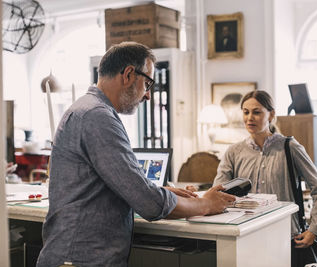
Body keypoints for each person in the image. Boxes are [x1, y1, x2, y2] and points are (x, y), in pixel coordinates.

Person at [36, 42, 235, 267]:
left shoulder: (86, 109)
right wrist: (206, 204)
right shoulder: (97, 117)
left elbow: (110, 186)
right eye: (148, 83)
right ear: (129, 74)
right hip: (81, 259)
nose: (148, 96)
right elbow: (148, 203)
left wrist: (160, 190)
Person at [213, 90, 317, 267]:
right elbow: (217, 192)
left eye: (256, 112)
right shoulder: (234, 152)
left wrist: (314, 229)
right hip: (246, 235)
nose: (250, 117)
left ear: (271, 114)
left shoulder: (290, 147)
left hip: (286, 237)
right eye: (246, 112)